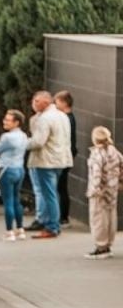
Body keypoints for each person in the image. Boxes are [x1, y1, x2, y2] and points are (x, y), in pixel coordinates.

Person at [26, 91, 72, 240]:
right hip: (60, 160)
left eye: (36, 100)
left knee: (48, 194)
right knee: (52, 193)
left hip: (45, 161)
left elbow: (38, 141)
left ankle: (52, 226)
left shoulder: (45, 119)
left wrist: (21, 143)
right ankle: (48, 222)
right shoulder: (62, 115)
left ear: (46, 102)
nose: (34, 103)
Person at [84, 126, 122, 260]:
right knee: (111, 217)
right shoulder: (114, 151)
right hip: (112, 190)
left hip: (100, 192)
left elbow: (96, 174)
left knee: (98, 219)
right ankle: (108, 244)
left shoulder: (97, 154)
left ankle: (101, 246)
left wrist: (94, 189)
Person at [0, 109, 29, 241]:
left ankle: (9, 231)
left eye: (8, 120)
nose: (4, 122)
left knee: (8, 201)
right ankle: (20, 229)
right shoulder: (24, 136)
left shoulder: (7, 137)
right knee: (16, 199)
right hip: (19, 168)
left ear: (16, 122)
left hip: (7, 169)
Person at [55, 90, 77, 226]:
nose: (55, 105)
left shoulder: (67, 119)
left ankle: (63, 217)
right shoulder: (69, 117)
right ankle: (62, 216)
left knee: (61, 187)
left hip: (64, 156)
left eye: (57, 102)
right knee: (61, 186)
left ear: (64, 103)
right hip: (67, 154)